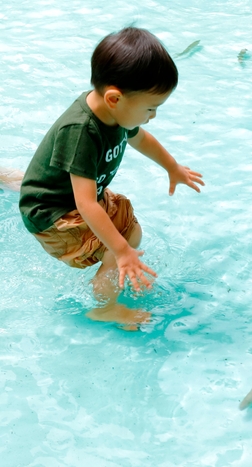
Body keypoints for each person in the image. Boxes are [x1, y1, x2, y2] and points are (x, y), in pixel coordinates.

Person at [17, 26, 204, 328]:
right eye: (151, 108)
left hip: (71, 198)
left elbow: (141, 138)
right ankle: (105, 307)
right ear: (115, 98)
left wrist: (173, 167)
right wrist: (119, 251)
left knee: (131, 231)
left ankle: (114, 269)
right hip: (52, 214)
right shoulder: (81, 131)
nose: (153, 115)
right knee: (115, 247)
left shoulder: (114, 112)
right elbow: (87, 203)